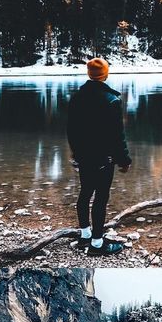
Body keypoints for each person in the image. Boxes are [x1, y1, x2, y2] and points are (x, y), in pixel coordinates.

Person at [67, 58, 132, 256]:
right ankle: (97, 244)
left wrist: (77, 154)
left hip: (84, 156)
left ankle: (85, 235)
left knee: (85, 192)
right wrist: (124, 160)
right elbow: (116, 135)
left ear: (89, 74)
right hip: (104, 158)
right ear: (105, 74)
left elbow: (72, 130)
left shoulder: (77, 97)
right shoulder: (111, 100)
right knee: (101, 198)